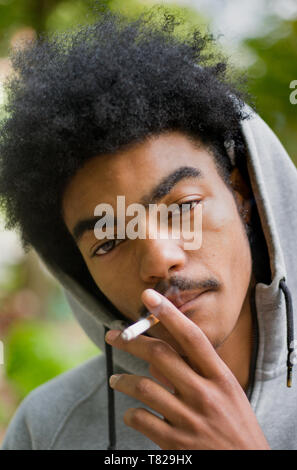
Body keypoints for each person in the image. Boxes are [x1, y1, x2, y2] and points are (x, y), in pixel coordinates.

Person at [0, 8, 296, 450]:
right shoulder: (48, 429)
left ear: (242, 194)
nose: (160, 259)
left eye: (183, 207)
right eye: (109, 241)